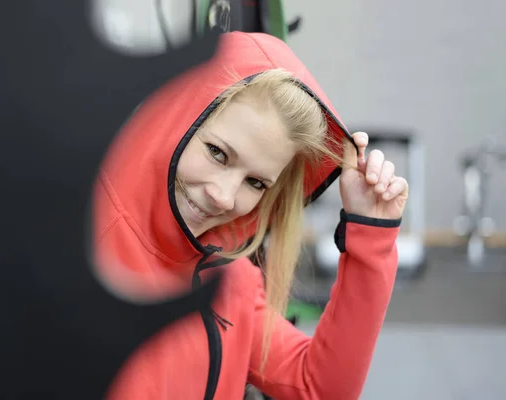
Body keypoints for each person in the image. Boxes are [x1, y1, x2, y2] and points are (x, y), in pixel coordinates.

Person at [93, 31, 408, 400]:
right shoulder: (80, 249)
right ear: (175, 115)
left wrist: (372, 235)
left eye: (256, 183)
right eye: (217, 153)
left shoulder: (231, 279)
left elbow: (319, 388)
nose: (223, 197)